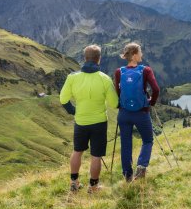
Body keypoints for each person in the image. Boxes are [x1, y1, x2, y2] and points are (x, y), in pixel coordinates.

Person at [60, 44, 118, 193]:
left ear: (84, 58)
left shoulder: (72, 78)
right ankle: (93, 186)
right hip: (99, 122)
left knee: (77, 151)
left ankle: (74, 183)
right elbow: (114, 103)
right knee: (96, 156)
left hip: (80, 121)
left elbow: (63, 99)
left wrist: (74, 111)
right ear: (99, 59)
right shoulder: (105, 79)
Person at [114, 42, 160, 182]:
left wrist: (122, 105)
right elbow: (156, 89)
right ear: (134, 55)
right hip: (141, 112)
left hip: (124, 113)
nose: (142, 55)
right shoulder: (145, 70)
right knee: (147, 140)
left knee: (126, 144)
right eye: (140, 52)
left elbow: (118, 91)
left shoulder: (119, 71)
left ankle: (127, 175)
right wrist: (150, 102)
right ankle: (141, 167)